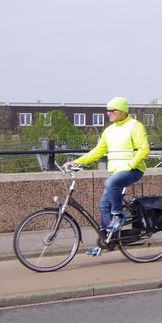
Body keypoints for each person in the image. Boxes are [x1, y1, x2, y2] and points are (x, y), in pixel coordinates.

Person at [66, 97, 150, 255]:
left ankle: (118, 216)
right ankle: (107, 242)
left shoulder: (135, 126)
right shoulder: (109, 131)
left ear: (123, 111)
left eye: (112, 110)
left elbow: (144, 149)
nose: (109, 113)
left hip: (133, 170)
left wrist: (130, 165)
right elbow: (97, 152)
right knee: (103, 206)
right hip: (116, 173)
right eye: (107, 111)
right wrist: (75, 162)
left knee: (110, 183)